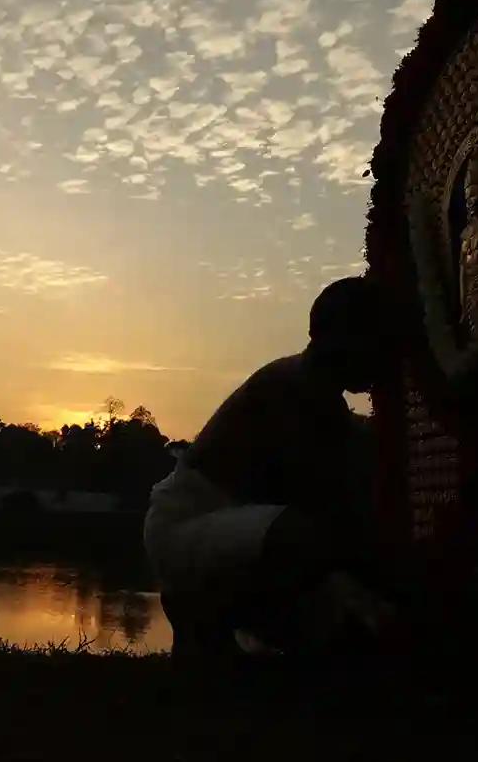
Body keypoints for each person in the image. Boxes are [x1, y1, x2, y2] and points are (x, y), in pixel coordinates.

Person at [144, 276, 406, 658]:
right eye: (375, 339)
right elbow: (319, 511)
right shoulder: (288, 385)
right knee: (307, 537)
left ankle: (232, 626)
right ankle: (203, 613)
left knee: (351, 630)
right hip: (187, 526)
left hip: (246, 529)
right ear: (338, 337)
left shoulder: (327, 407)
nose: (383, 356)